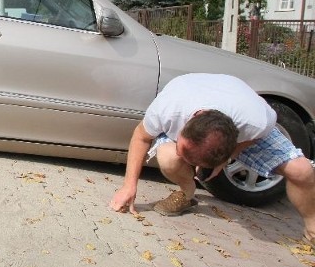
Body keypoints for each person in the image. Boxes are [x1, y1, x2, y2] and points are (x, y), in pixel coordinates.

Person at [108, 73, 315, 246]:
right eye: (183, 148)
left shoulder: (257, 120)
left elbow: (259, 136)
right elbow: (141, 137)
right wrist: (129, 186)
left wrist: (230, 155)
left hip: (237, 123)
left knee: (302, 171)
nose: (183, 157)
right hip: (191, 101)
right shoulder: (168, 108)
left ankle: (312, 230)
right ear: (187, 124)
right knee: (169, 158)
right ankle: (187, 193)